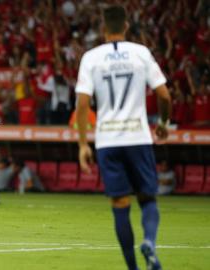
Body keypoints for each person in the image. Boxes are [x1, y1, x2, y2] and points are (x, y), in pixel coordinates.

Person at [76, 5, 171, 270]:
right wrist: (163, 123)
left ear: (103, 28)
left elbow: (82, 104)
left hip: (108, 141)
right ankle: (149, 242)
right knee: (148, 198)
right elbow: (164, 95)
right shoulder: (141, 53)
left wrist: (83, 144)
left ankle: (132, 268)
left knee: (120, 204)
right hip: (138, 137)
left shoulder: (91, 58)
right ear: (126, 26)